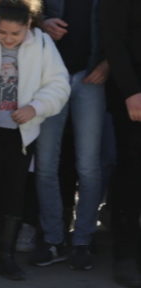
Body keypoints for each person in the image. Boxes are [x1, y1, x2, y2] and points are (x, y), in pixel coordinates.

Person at [0, 0, 70, 280]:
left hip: (22, 132)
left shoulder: (44, 44)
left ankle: (6, 257)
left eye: (15, 34)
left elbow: (58, 85)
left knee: (14, 191)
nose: (8, 39)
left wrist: (36, 107)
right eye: (2, 32)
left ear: (28, 26)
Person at [31, 0, 108, 271]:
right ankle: (52, 239)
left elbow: (122, 27)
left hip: (91, 78)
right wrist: (41, 23)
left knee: (89, 165)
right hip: (50, 78)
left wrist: (108, 63)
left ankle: (82, 240)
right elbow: (23, 10)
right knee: (45, 165)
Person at [100, 0, 141, 288]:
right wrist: (131, 90)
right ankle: (126, 256)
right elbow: (113, 39)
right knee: (132, 172)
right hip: (133, 95)